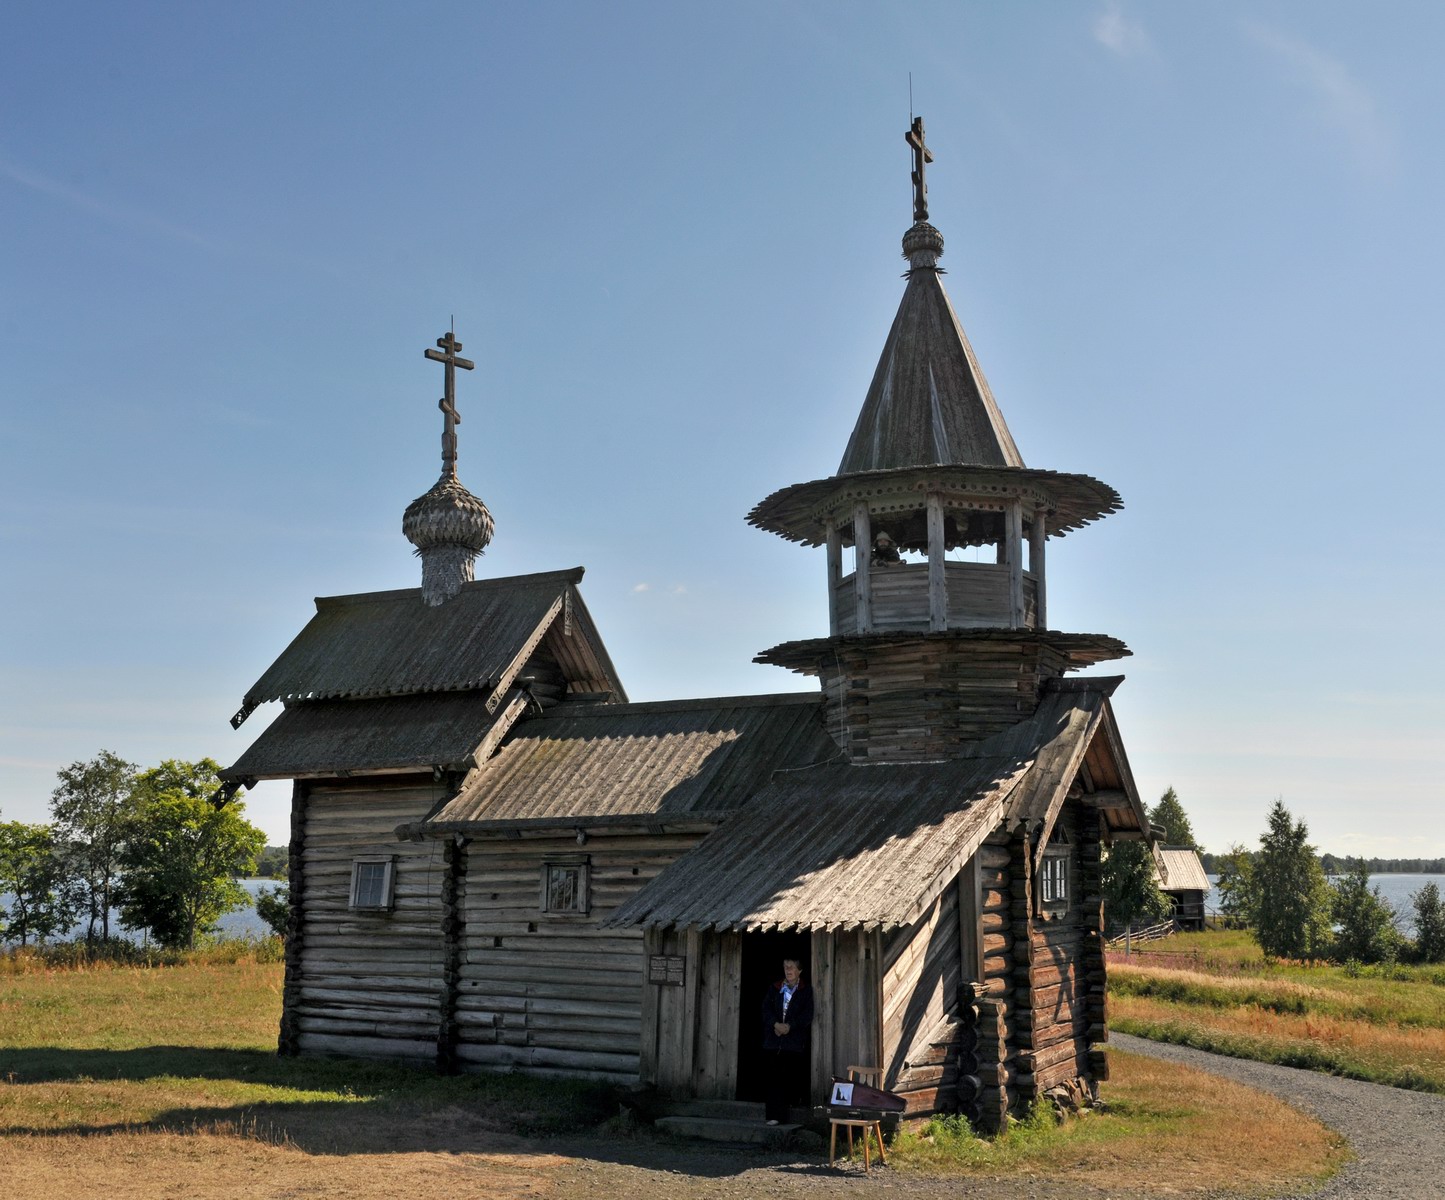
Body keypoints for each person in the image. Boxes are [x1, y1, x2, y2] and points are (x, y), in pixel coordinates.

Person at [761, 957, 814, 1125]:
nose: (788, 970)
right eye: (785, 967)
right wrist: (775, 1024)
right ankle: (773, 1116)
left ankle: (786, 1116)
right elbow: (765, 1009)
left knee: (788, 1078)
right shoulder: (775, 988)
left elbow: (807, 1015)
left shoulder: (806, 991)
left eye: (791, 967)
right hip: (773, 1040)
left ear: (799, 971)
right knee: (773, 1078)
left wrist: (790, 1027)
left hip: (793, 1042)